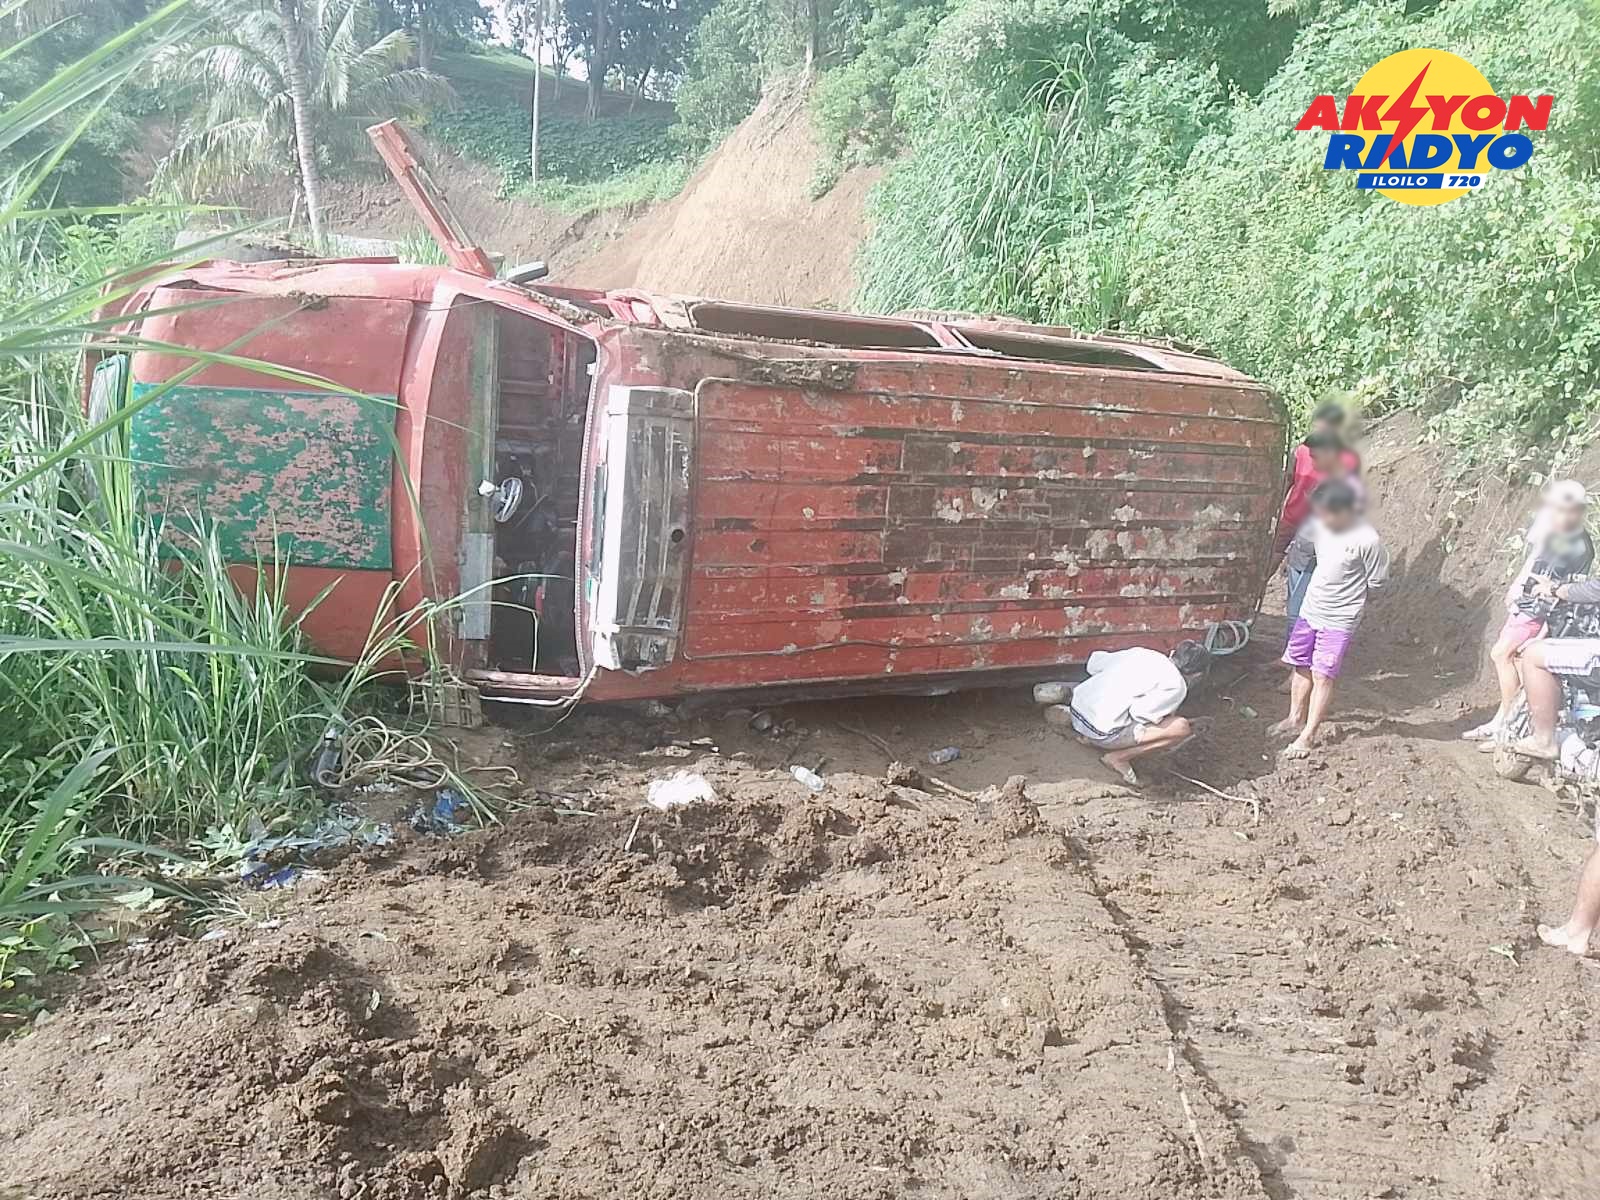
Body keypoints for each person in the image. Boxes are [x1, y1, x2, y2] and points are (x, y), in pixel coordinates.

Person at [1462, 480, 1593, 744]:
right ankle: (1506, 721)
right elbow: (1534, 562)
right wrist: (1516, 587)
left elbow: (1569, 589)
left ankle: (1506, 724)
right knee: (1515, 660)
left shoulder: (1580, 546)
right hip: (1526, 605)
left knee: (1502, 653)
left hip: (1541, 611)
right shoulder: (1556, 533)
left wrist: (1545, 628)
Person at [1272, 479, 1388, 758]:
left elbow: (1378, 583)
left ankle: (1307, 736)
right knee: (1300, 666)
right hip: (1311, 610)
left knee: (1322, 675)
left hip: (1339, 619)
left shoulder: (1368, 541)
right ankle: (1294, 718)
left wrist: (1351, 606)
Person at [1068, 640, 1212, 785]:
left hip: (1076, 712)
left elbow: (1094, 664)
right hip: (1103, 733)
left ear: (1173, 653)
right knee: (1181, 728)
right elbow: (1140, 714)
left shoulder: (1143, 653)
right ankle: (1119, 758)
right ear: (1196, 675)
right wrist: (1168, 717)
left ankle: (1087, 738)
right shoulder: (1176, 685)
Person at [1283, 431, 1363, 621]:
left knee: (1298, 610)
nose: (1314, 464)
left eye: (1316, 458)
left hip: (1312, 550)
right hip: (1305, 546)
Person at [1273, 404, 1362, 570]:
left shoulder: (1344, 459)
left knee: (1291, 560)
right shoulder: (1303, 451)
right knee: (1280, 556)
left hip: (1309, 522)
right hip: (1302, 520)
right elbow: (1286, 481)